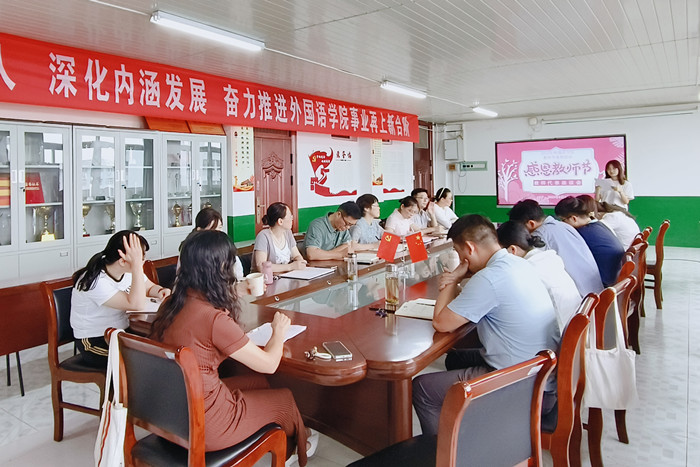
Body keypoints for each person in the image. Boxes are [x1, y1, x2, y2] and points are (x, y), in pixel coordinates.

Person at [151, 230, 317, 465]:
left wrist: (234, 293)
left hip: (170, 412)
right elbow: (269, 364)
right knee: (285, 399)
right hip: (204, 425)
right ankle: (296, 447)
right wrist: (278, 331)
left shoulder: (171, 305)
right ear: (220, 269)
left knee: (258, 382)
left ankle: (293, 433)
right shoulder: (213, 319)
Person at [412, 215, 559, 436]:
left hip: (524, 386)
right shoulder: (518, 262)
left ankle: (442, 452)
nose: (462, 260)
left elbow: (441, 323)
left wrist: (452, 279)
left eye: (459, 253)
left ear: (470, 248)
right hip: (542, 373)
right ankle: (469, 425)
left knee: (422, 388)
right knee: (455, 358)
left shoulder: (490, 278)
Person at [71, 230, 170, 368]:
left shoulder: (127, 272)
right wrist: (136, 267)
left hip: (119, 333)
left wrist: (159, 291)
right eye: (139, 259)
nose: (142, 262)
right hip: (94, 340)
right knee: (136, 362)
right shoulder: (96, 281)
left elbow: (149, 287)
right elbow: (136, 304)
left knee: (158, 349)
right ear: (123, 261)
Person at [497, 221, 582, 333]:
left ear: (512, 250)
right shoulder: (547, 258)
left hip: (560, 334)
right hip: (574, 328)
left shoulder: (527, 270)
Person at [508, 199, 604, 296]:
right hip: (596, 293)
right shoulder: (564, 225)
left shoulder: (539, 235)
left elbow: (529, 270)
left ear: (531, 223)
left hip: (580, 297)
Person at [555, 196, 626, 287]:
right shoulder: (598, 225)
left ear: (574, 219)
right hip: (615, 279)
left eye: (563, 220)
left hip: (603, 285)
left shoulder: (581, 234)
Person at [180, 207, 244, 280]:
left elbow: (237, 272)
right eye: (212, 229)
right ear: (199, 230)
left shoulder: (224, 246)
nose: (218, 233)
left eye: (219, 227)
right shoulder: (189, 250)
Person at [253, 202, 307, 273]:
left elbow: (296, 255)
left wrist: (300, 262)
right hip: (267, 278)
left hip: (286, 276)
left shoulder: (288, 233)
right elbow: (261, 266)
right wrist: (290, 266)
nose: (292, 219)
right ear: (280, 221)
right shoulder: (263, 236)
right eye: (290, 217)